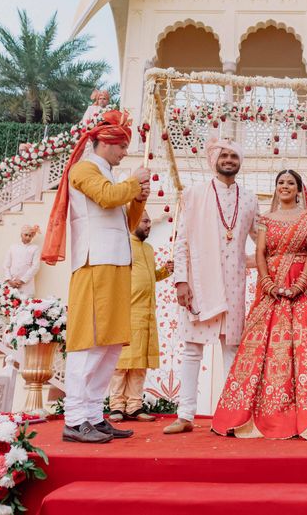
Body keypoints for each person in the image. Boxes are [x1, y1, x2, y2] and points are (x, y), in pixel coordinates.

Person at [212, 171, 307, 441]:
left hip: (304, 286)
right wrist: (268, 283)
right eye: (280, 183)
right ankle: (258, 417)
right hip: (270, 286)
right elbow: (261, 253)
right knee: (265, 347)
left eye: (290, 184)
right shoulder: (266, 220)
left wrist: (302, 283)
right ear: (275, 189)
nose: (284, 187)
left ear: (299, 190)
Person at [42, 110, 150, 444]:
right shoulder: (84, 169)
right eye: (121, 146)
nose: (124, 152)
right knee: (89, 342)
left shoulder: (107, 175)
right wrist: (133, 183)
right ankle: (74, 418)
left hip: (116, 262)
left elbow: (125, 223)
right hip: (94, 264)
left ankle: (93, 415)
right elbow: (106, 197)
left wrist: (138, 199)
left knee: (111, 343)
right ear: (105, 142)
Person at [166, 138, 259, 434]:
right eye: (225, 155)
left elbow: (262, 241)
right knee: (193, 350)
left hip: (233, 282)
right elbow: (181, 242)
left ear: (240, 161)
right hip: (199, 284)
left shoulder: (250, 199)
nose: (229, 160)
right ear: (215, 159)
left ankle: (230, 417)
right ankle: (185, 415)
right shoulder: (194, 195)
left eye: (234, 155)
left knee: (231, 350)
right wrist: (181, 280)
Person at [108, 211, 173, 423]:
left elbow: (149, 276)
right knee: (121, 364)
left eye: (149, 222)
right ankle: (117, 406)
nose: (149, 225)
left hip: (146, 314)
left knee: (139, 364)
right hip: (127, 312)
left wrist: (165, 271)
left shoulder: (148, 248)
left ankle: (134, 406)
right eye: (145, 221)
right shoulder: (122, 245)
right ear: (134, 221)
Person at [3, 225, 42, 300]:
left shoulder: (35, 248)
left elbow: (35, 267)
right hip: (11, 283)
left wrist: (21, 281)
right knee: (9, 305)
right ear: (21, 234)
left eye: (30, 236)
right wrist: (9, 280)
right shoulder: (13, 247)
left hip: (26, 284)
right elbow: (6, 265)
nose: (28, 237)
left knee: (25, 306)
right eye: (26, 235)